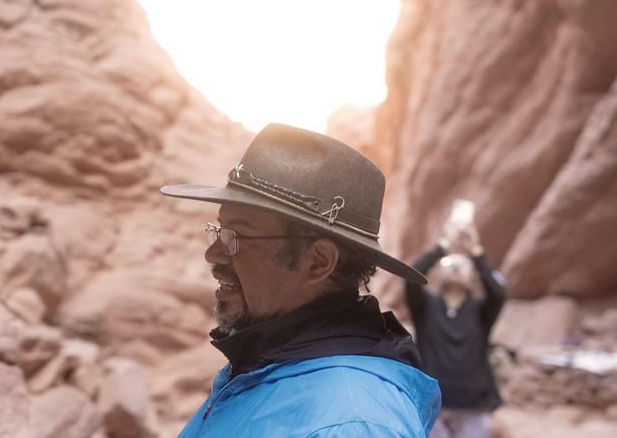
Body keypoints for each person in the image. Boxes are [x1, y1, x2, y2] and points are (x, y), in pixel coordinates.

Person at [160, 123, 441, 438]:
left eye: (234, 236)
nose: (213, 254)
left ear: (318, 262)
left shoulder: (352, 424)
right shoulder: (265, 365)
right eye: (218, 230)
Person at [404, 221, 507, 438]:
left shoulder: (481, 311)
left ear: (473, 277)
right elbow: (411, 276)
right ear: (439, 273)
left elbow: (498, 292)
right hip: (432, 403)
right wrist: (444, 245)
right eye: (450, 263)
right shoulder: (426, 307)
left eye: (464, 265)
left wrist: (476, 251)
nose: (456, 267)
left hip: (473, 404)